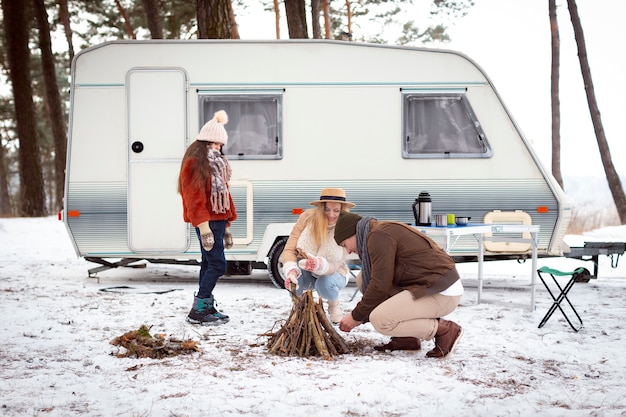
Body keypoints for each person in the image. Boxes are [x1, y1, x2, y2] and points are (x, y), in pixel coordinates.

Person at [333, 212, 464, 358]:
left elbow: (380, 285)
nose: (348, 251)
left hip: (442, 291)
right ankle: (407, 338)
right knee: (363, 279)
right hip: (425, 285)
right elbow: (380, 279)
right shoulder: (376, 232)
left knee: (381, 320)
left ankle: (444, 330)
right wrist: (361, 315)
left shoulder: (378, 236)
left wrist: (356, 316)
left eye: (345, 244)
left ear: (353, 233)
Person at [178, 110, 237, 326]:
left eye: (220, 145)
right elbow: (193, 199)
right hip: (207, 223)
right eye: (214, 144)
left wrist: (227, 226)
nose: (218, 148)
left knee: (208, 262)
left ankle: (206, 305)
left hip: (217, 222)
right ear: (203, 142)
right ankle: (199, 308)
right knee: (218, 265)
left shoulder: (217, 165)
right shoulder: (195, 164)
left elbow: (225, 197)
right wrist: (204, 228)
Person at [282, 188, 355, 324]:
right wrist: (291, 270)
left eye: (336, 210)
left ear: (342, 210)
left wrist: (321, 266)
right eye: (327, 209)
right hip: (308, 268)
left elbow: (337, 263)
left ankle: (334, 306)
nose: (331, 215)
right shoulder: (307, 218)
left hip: (335, 271)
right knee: (294, 280)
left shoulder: (347, 225)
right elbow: (289, 249)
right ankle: (298, 308)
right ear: (321, 208)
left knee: (325, 284)